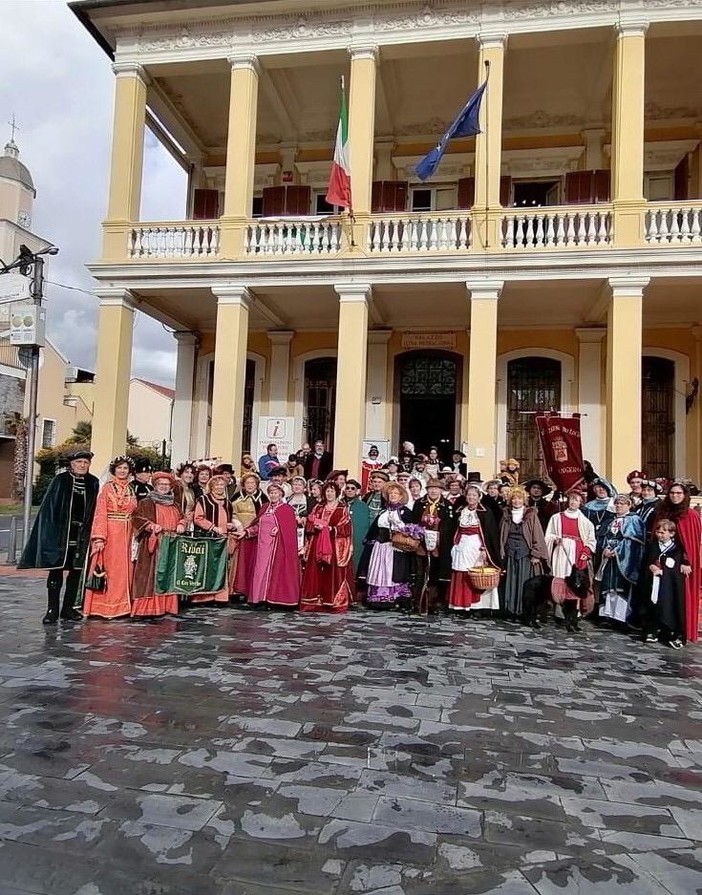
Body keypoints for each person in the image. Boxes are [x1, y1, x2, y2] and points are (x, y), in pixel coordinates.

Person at [19, 449, 99, 624]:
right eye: (79, 462)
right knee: (56, 572)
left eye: (85, 463)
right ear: (71, 464)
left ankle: (68, 608)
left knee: (76, 572)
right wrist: (51, 534)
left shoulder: (93, 482)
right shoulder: (60, 480)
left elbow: (95, 510)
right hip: (61, 534)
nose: (82, 465)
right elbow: (49, 509)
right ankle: (52, 609)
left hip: (81, 535)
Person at [83, 455, 138, 620]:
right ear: (114, 470)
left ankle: (123, 605)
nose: (122, 471)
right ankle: (106, 607)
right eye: (120, 468)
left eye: (125, 468)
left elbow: (135, 512)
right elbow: (100, 513)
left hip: (128, 533)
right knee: (111, 569)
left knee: (126, 569)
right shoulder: (107, 488)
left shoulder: (131, 489)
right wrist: (99, 537)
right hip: (111, 533)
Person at [651, 482, 701, 643]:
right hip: (661, 560)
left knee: (679, 596)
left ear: (685, 495)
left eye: (679, 493)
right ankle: (663, 628)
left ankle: (680, 631)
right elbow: (654, 535)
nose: (675, 496)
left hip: (680, 562)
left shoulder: (690, 515)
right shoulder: (663, 511)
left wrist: (687, 561)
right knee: (662, 595)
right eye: (672, 493)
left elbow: (691, 541)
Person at [131, 471, 186, 618]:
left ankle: (167, 606)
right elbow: (136, 518)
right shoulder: (146, 502)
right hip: (154, 545)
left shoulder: (175, 504)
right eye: (161, 484)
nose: (164, 487)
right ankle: (147, 609)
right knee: (150, 576)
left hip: (171, 544)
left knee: (169, 574)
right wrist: (150, 526)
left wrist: (181, 524)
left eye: (167, 484)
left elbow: (183, 518)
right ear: (155, 485)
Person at [544, 488, 597, 630]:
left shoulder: (586, 522)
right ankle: (560, 613)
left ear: (581, 503)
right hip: (562, 552)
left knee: (576, 583)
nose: (573, 502)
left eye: (577, 500)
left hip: (577, 554)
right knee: (560, 580)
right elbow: (548, 535)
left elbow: (591, 541)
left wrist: (585, 552)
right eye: (572, 499)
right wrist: (555, 539)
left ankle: (574, 613)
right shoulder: (557, 518)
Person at [448, 483, 501, 616]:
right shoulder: (460, 510)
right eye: (469, 495)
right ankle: (460, 605)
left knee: (476, 575)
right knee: (460, 573)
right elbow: (454, 529)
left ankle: (476, 606)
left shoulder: (485, 512)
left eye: (474, 495)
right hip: (461, 545)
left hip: (477, 546)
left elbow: (490, 533)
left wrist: (484, 548)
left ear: (479, 497)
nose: (471, 497)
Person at [301, 482, 354, 612]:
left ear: (337, 493)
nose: (329, 494)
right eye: (327, 491)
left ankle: (331, 601)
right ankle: (314, 601)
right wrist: (314, 525)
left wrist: (330, 529)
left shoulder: (342, 508)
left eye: (332, 491)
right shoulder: (318, 507)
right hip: (317, 542)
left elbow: (346, 528)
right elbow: (310, 522)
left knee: (332, 572)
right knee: (316, 571)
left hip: (334, 544)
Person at [245, 481, 300, 608]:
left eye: (276, 493)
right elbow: (258, 525)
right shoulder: (265, 507)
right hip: (261, 546)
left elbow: (289, 529)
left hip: (276, 547)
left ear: (281, 494)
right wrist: (247, 531)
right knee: (260, 570)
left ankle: (272, 597)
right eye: (271, 493)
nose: (273, 495)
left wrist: (279, 529)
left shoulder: (286, 509)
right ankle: (258, 598)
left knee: (273, 571)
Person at [365, 481, 417, 611]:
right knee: (380, 570)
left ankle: (395, 598)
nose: (393, 495)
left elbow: (411, 529)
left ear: (400, 496)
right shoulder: (384, 510)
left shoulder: (405, 512)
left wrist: (398, 525)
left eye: (396, 493)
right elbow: (375, 528)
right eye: (390, 493)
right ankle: (379, 599)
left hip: (395, 546)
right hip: (381, 546)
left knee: (393, 571)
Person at [499, 486, 549, 618]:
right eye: (514, 498)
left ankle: (523, 610)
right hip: (510, 553)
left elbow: (537, 535)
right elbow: (502, 535)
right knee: (511, 582)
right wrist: (502, 552)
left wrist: (536, 554)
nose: (516, 501)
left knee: (524, 583)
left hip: (525, 555)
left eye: (519, 498)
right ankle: (510, 610)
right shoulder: (506, 515)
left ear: (524, 500)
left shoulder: (530, 515)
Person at [193, 475, 243, 604]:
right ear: (211, 486)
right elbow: (198, 518)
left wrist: (230, 525)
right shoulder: (203, 500)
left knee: (222, 567)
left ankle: (220, 596)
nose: (220, 487)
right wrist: (213, 527)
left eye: (222, 485)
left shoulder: (227, 502)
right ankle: (203, 597)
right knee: (206, 566)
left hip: (223, 539)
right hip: (207, 538)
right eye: (217, 485)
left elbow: (229, 518)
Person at [596, 494, 645, 624]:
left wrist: (617, 551)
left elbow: (633, 541)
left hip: (624, 559)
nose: (618, 506)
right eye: (617, 503)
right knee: (609, 586)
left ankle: (621, 617)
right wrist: (605, 549)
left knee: (620, 587)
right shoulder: (611, 520)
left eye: (622, 504)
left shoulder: (634, 519)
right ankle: (608, 615)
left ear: (629, 505)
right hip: (609, 558)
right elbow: (605, 537)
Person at [640, 519, 688, 648]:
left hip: (668, 585)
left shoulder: (677, 548)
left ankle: (669, 631)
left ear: (671, 534)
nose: (659, 535)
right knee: (652, 604)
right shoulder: (653, 546)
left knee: (667, 605)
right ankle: (651, 630)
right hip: (653, 583)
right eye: (658, 532)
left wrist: (665, 571)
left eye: (663, 532)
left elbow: (676, 565)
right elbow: (646, 562)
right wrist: (651, 567)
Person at [413, 478, 456, 614]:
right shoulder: (419, 504)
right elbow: (414, 522)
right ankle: (418, 601)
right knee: (420, 573)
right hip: (421, 545)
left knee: (436, 573)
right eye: (431, 488)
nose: (433, 491)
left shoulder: (447, 505)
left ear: (441, 491)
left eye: (436, 488)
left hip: (439, 546)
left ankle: (434, 602)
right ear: (427, 490)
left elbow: (450, 528)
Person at [232, 472, 268, 598]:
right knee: (238, 563)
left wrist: (251, 530)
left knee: (253, 562)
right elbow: (232, 513)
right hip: (238, 533)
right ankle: (237, 589)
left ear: (257, 485)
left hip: (256, 536)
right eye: (247, 483)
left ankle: (251, 590)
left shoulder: (263, 499)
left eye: (253, 483)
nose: (250, 485)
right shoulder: (236, 497)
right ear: (243, 484)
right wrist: (238, 526)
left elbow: (265, 518)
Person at [343, 479, 370, 577]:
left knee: (355, 562)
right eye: (347, 488)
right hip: (341, 538)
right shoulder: (339, 504)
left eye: (352, 488)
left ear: (356, 491)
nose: (349, 490)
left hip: (356, 540)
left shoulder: (362, 506)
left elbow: (364, 525)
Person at [287, 475, 309, 553]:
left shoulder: (309, 500)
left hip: (304, 530)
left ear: (304, 488)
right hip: (290, 529)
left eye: (300, 485)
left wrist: (304, 518)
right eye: (295, 484)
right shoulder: (287, 500)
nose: (297, 486)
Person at [173, 462, 197, 531]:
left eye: (192, 473)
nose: (189, 475)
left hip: (188, 523)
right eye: (186, 472)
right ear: (181, 474)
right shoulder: (175, 487)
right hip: (177, 523)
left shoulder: (191, 489)